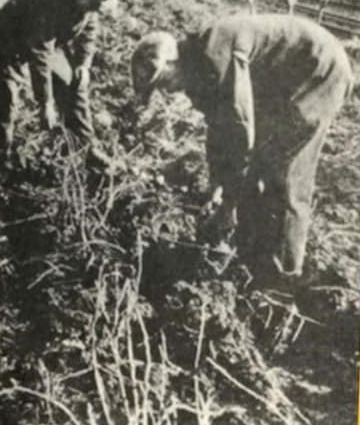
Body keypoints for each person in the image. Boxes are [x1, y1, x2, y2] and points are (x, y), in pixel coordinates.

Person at [131, 14, 353, 280]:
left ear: (172, 61)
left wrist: (228, 206)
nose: (166, 92)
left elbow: (239, 133)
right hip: (284, 82)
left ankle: (282, 278)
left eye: (162, 82)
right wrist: (216, 186)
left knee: (285, 172)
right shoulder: (195, 71)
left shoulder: (214, 57)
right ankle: (251, 255)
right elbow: (217, 131)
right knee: (257, 164)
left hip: (317, 72)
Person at [0, 0, 118, 171]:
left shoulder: (89, 6)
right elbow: (40, 53)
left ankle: (87, 147)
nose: (91, 10)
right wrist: (45, 102)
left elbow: (89, 33)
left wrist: (83, 65)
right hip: (8, 38)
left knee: (75, 82)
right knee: (7, 99)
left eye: (95, 7)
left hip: (47, 40)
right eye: (91, 4)